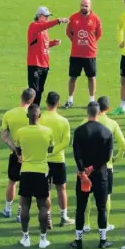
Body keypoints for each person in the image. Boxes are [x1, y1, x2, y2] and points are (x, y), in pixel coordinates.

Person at [70, 102, 113, 249]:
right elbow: (107, 156)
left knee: (80, 208)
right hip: (100, 175)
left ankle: (78, 240)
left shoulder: (79, 131)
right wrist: (93, 167)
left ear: (87, 112)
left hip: (83, 176)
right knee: (101, 207)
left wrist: (83, 170)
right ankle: (103, 240)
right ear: (99, 112)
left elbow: (77, 154)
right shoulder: (106, 132)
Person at [82, 96, 125, 232]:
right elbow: (123, 145)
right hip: (106, 166)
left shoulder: (85, 121)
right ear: (107, 108)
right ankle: (105, 224)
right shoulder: (112, 124)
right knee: (106, 196)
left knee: (87, 195)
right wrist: (114, 159)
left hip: (87, 166)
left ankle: (86, 224)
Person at [14, 104, 54, 249]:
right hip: (41, 172)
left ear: (27, 116)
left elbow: (18, 150)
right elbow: (50, 148)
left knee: (25, 205)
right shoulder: (48, 131)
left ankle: (26, 238)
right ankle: (43, 239)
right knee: (43, 205)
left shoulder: (20, 132)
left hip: (26, 171)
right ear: (40, 115)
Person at [39, 92, 75, 228]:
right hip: (59, 160)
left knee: (46, 189)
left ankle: (47, 217)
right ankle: (63, 217)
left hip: (42, 160)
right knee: (61, 189)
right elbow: (66, 142)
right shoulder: (63, 121)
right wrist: (53, 152)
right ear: (58, 103)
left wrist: (46, 153)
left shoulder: (40, 118)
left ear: (46, 101)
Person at [0, 88, 36, 222]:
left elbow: (4, 136)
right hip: (31, 155)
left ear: (21, 97)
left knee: (12, 183)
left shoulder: (9, 114)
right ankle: (20, 213)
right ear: (32, 100)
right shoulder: (35, 115)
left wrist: (16, 150)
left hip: (15, 155)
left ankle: (7, 209)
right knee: (25, 186)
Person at [64, 0, 102, 108]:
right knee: (73, 77)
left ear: (90, 6)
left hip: (90, 54)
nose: (83, 7)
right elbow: (68, 32)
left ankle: (91, 100)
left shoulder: (96, 19)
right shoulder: (73, 17)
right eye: (82, 5)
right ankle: (70, 100)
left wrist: (90, 43)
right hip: (76, 54)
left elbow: (98, 34)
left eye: (86, 6)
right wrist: (75, 41)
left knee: (91, 77)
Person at [27, 6, 69, 106]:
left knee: (40, 90)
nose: (48, 18)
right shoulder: (34, 26)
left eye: (48, 16)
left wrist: (53, 43)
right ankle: (32, 111)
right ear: (39, 16)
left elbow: (43, 45)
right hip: (35, 64)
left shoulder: (44, 30)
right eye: (46, 16)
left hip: (44, 65)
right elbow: (45, 26)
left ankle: (35, 109)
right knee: (34, 91)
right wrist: (58, 21)